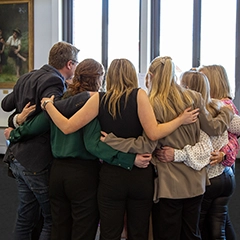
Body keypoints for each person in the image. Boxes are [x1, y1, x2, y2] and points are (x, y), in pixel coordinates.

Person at [40, 58, 200, 240]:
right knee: (138, 232)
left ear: (109, 76)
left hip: (111, 177)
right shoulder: (139, 95)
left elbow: (67, 127)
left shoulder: (99, 99)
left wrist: (48, 105)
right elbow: (154, 133)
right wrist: (180, 120)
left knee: (109, 233)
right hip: (140, 175)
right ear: (132, 75)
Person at [4, 58, 151, 240]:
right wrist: (130, 159)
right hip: (83, 175)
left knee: (58, 229)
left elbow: (34, 126)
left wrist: (13, 133)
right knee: (83, 230)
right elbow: (94, 145)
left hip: (57, 174)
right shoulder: (93, 103)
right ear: (98, 79)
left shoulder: (58, 102)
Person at [97, 57, 234, 240]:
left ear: (151, 76)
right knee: (192, 234)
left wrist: (114, 141)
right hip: (195, 180)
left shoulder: (151, 104)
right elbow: (213, 128)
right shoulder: (194, 98)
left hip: (169, 182)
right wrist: (227, 110)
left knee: (167, 234)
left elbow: (145, 144)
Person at [1, 41, 79, 240]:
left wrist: (17, 120)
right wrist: (18, 125)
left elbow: (6, 104)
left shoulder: (28, 76)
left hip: (17, 157)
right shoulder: (54, 81)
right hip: (35, 161)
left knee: (25, 217)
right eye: (76, 63)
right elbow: (47, 118)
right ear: (69, 64)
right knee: (50, 219)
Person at [154, 70, 239, 240]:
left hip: (207, 177)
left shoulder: (195, 114)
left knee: (197, 229)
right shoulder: (220, 107)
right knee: (219, 226)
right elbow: (235, 130)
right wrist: (228, 149)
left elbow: (204, 146)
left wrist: (175, 154)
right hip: (226, 175)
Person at [197, 65, 239, 239]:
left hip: (217, 172)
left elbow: (234, 137)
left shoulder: (222, 106)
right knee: (221, 223)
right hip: (226, 174)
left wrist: (223, 153)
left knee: (207, 225)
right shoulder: (221, 105)